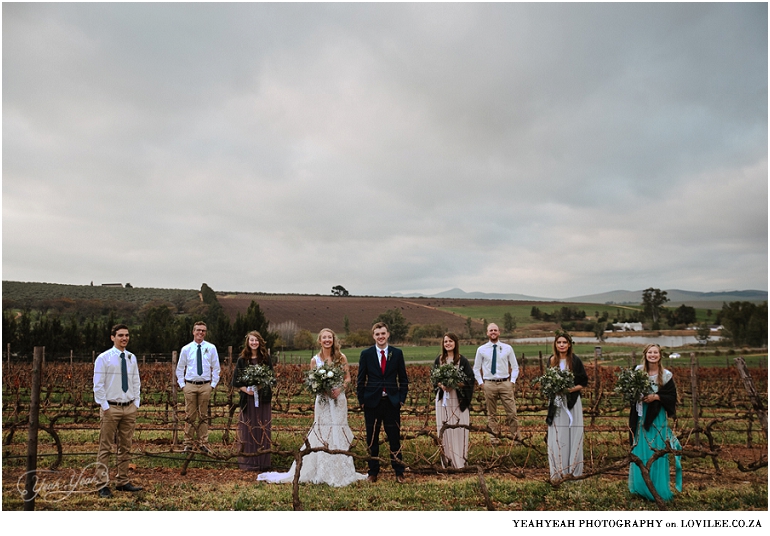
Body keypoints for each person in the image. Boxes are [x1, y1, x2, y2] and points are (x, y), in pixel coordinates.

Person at [258, 328, 367, 486]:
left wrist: (339, 389)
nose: (327, 340)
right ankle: (322, 469)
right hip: (322, 400)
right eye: (324, 338)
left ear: (333, 339)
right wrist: (323, 389)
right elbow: (313, 382)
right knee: (322, 431)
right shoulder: (315, 360)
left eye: (330, 337)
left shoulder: (340, 357)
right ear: (320, 340)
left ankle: (340, 469)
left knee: (338, 430)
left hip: (338, 399)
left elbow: (348, 378)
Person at [628, 343, 682, 501]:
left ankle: (657, 488)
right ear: (645, 355)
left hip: (657, 417)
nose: (652, 355)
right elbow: (630, 391)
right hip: (640, 415)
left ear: (660, 355)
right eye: (650, 352)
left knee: (656, 450)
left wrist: (656, 397)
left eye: (655, 352)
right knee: (641, 449)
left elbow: (671, 396)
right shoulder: (638, 371)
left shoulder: (666, 375)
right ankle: (640, 488)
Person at [93, 324, 142, 498]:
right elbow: (97, 385)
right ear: (112, 337)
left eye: (127, 335)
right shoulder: (103, 358)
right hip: (110, 408)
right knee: (105, 447)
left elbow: (136, 380)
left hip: (129, 408)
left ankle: (122, 481)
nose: (124, 338)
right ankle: (102, 484)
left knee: (125, 446)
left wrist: (136, 402)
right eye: (120, 335)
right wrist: (105, 406)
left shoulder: (131, 357)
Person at [357, 322, 409, 483]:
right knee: (372, 439)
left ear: (388, 335)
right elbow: (360, 380)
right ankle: (373, 472)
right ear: (373, 336)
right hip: (372, 403)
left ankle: (399, 471)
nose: (380, 336)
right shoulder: (366, 354)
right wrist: (362, 401)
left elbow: (403, 379)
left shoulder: (397, 353)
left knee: (394, 437)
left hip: (391, 402)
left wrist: (401, 399)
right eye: (377, 334)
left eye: (383, 333)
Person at [545, 330, 588, 479]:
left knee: (573, 433)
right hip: (556, 403)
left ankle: (573, 471)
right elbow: (547, 381)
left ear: (569, 345)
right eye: (559, 342)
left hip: (572, 402)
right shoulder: (551, 361)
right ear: (555, 345)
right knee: (558, 433)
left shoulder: (575, 361)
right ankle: (558, 470)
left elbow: (583, 382)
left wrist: (569, 390)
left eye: (564, 342)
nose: (562, 345)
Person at [176, 321, 221, 454]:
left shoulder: (211, 348)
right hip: (190, 385)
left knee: (203, 416)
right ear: (193, 332)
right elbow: (180, 369)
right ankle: (188, 444)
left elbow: (216, 368)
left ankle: (203, 443)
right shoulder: (186, 349)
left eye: (203, 331)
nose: (200, 333)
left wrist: (212, 385)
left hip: (205, 386)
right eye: (198, 330)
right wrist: (183, 385)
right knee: (190, 415)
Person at [231, 330, 273, 471]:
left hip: (263, 400)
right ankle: (250, 462)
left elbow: (271, 378)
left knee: (262, 428)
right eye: (251, 340)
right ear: (248, 343)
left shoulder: (265, 358)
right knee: (249, 429)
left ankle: (263, 461)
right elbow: (236, 380)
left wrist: (261, 385)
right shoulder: (242, 360)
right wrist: (247, 390)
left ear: (260, 342)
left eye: (256, 340)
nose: (254, 342)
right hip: (248, 400)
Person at [432, 332, 474, 469]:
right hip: (443, 400)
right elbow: (434, 378)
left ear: (455, 343)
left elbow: (469, 379)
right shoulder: (439, 360)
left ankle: (459, 461)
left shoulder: (462, 361)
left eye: (450, 341)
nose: (448, 343)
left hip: (458, 400)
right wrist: (442, 385)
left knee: (458, 428)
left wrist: (455, 385)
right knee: (445, 429)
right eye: (445, 341)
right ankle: (447, 461)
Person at [473, 323, 520, 443]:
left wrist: (512, 382)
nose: (493, 332)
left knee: (512, 412)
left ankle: (516, 438)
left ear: (499, 332)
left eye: (495, 330)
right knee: (491, 413)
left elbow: (515, 367)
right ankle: (494, 438)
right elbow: (476, 368)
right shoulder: (481, 350)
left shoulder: (508, 348)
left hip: (505, 383)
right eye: (490, 330)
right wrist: (481, 383)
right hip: (489, 384)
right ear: (487, 333)